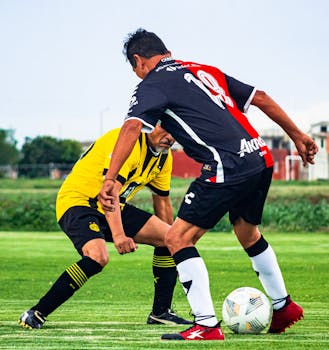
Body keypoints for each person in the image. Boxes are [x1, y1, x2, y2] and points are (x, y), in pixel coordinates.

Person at [98, 28, 319, 341]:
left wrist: (110, 178)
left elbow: (133, 127)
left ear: (139, 62)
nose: (137, 76)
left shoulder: (153, 83)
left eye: (134, 69)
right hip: (259, 156)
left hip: (226, 163)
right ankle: (284, 307)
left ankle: (205, 325)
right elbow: (261, 98)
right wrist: (297, 135)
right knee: (247, 232)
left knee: (177, 238)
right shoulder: (202, 69)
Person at [18, 123, 192, 329]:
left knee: (169, 236)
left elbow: (162, 202)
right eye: (165, 129)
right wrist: (119, 236)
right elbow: (108, 193)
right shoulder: (129, 143)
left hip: (114, 205)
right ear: (150, 124)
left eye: (176, 133)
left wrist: (176, 249)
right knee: (97, 257)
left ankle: (160, 313)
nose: (170, 137)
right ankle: (36, 312)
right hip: (79, 202)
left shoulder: (164, 157)